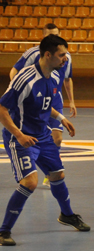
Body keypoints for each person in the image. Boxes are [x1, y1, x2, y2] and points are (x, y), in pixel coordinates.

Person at [0, 34, 90, 246]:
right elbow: (2, 108)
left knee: (58, 174)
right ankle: (4, 231)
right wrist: (19, 136)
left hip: (42, 134)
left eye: (66, 55)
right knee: (30, 182)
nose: (65, 59)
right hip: (21, 136)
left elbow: (44, 104)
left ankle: (67, 215)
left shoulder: (55, 76)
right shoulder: (25, 79)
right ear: (47, 55)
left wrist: (61, 118)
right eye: (61, 55)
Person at [10, 23, 77, 188]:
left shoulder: (66, 56)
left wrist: (72, 101)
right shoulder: (33, 54)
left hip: (54, 99)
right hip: (35, 98)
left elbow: (67, 79)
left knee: (57, 138)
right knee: (32, 134)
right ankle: (28, 170)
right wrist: (18, 90)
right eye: (48, 36)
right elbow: (14, 71)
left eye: (54, 35)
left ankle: (50, 172)